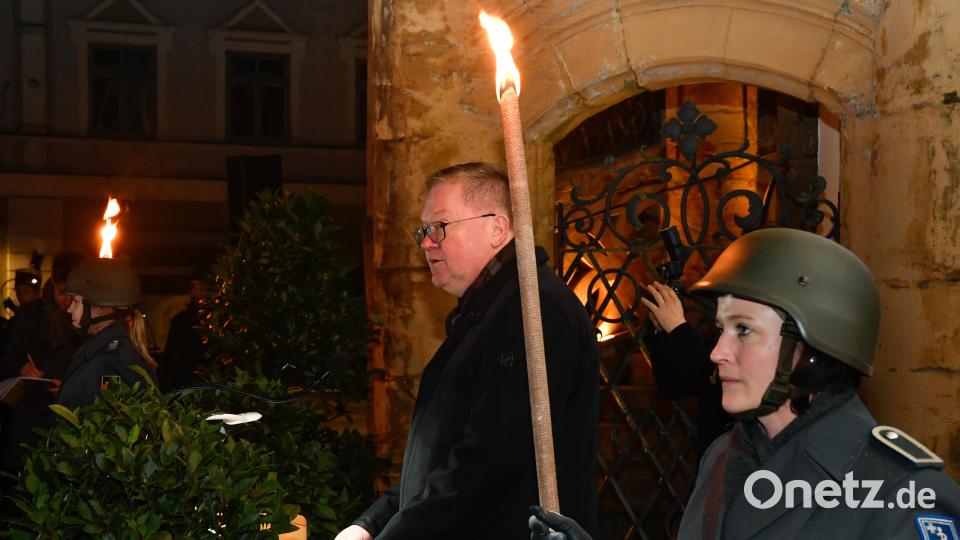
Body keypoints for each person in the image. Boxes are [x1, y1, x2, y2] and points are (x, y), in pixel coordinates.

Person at [530, 228, 960, 539]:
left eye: (744, 330)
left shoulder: (902, 491)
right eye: (720, 329)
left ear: (811, 349)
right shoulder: (725, 456)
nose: (717, 352)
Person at [336, 162, 599, 539]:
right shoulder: (485, 312)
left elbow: (490, 466)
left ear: (497, 228)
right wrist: (370, 523)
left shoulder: (532, 310)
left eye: (439, 227)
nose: (426, 242)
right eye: (423, 231)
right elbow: (442, 459)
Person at [0, 253, 84, 470]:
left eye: (74, 295)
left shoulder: (86, 319)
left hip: (69, 417)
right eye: (61, 292)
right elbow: (7, 359)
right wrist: (21, 367)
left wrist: (70, 387)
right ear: (52, 285)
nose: (67, 301)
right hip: (29, 414)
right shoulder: (29, 314)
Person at [641, 281, 731, 457]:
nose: (717, 354)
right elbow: (674, 387)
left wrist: (677, 330)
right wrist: (664, 330)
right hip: (714, 459)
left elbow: (717, 375)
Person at [57, 257, 158, 410]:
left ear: (101, 307)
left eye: (76, 301)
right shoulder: (104, 351)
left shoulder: (111, 361)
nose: (69, 309)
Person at [158, 267, 206, 392]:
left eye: (200, 286)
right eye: (193, 286)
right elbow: (170, 357)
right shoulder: (180, 321)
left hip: (201, 387)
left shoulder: (218, 324)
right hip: (183, 388)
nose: (197, 291)